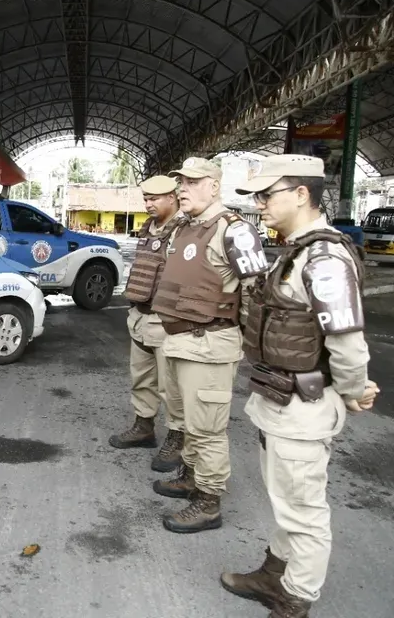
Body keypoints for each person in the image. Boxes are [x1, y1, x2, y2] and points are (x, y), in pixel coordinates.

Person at [221, 154, 379, 618]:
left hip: (303, 405)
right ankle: (277, 571)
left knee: (304, 510)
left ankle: (296, 598)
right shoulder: (298, 250)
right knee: (287, 501)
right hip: (278, 400)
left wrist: (354, 390)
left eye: (268, 195)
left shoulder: (325, 258)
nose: (260, 205)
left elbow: (347, 340)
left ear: (302, 194)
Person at [150, 157, 268, 533]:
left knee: (208, 430)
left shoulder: (235, 231)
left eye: (192, 182)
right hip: (179, 341)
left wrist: (252, 345)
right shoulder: (186, 227)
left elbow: (256, 294)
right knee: (184, 420)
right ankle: (189, 476)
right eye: (180, 182)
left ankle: (208, 501)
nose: (182, 189)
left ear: (214, 186)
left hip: (210, 343)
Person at [110, 175, 187, 472]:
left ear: (173, 197)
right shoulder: (148, 227)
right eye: (145, 198)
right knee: (141, 378)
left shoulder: (184, 230)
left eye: (155, 198)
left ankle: (177, 439)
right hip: (141, 315)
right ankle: (143, 427)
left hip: (165, 320)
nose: (148, 204)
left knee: (172, 387)